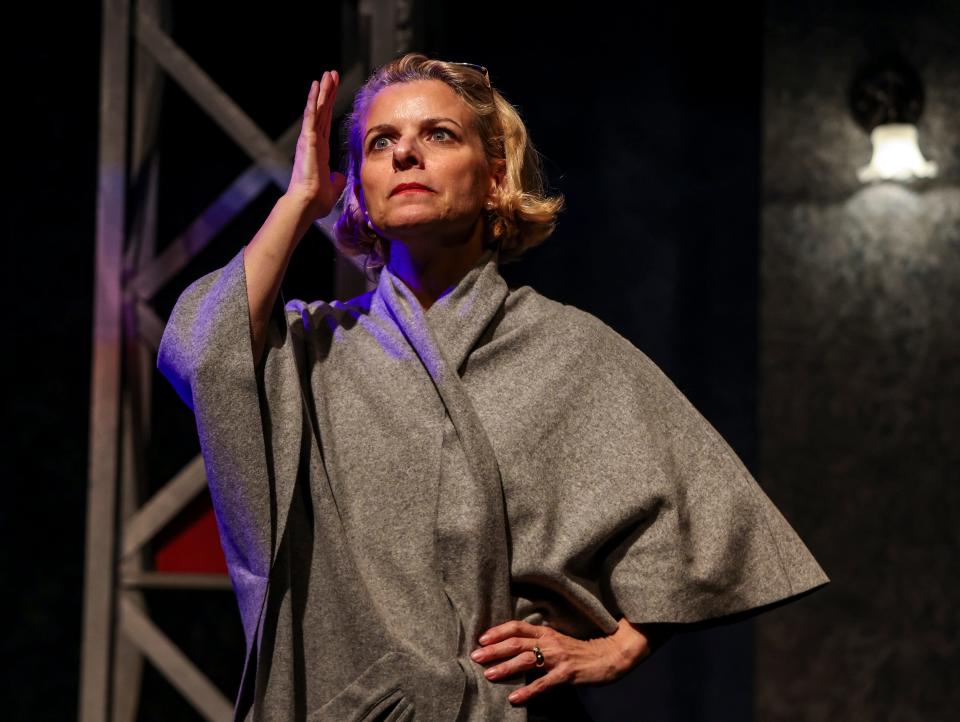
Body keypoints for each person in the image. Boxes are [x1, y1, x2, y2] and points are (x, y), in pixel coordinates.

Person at [157, 53, 829, 722]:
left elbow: (711, 521)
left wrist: (622, 647)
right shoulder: (314, 351)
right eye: (379, 142)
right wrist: (300, 200)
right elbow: (200, 354)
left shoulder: (567, 349)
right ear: (358, 185)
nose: (405, 155)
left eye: (438, 135)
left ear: (494, 175)